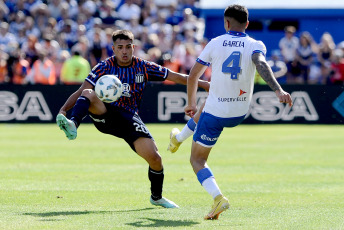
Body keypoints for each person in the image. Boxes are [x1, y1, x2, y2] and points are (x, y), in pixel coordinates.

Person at [56, 30, 209, 209]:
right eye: (120, 47)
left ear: (133, 47)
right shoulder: (104, 67)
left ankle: (157, 197)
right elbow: (82, 89)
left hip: (129, 118)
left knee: (155, 159)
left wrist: (205, 84)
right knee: (89, 93)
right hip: (105, 114)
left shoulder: (142, 66)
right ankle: (73, 124)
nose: (124, 51)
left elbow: (176, 77)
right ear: (113, 49)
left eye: (128, 47)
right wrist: (63, 110)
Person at [168, 5, 293, 220]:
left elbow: (193, 76)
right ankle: (178, 138)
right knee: (209, 101)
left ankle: (218, 198)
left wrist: (190, 103)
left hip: (217, 114)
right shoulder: (255, 44)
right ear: (247, 24)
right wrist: (278, 90)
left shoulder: (215, 43)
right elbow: (261, 63)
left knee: (197, 160)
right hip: (239, 112)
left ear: (226, 23)